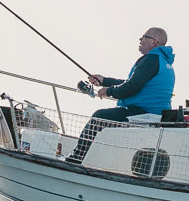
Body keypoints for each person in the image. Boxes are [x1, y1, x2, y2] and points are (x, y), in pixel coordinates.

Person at [66, 26, 176, 164]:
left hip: (143, 111)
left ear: (154, 42)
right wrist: (104, 81)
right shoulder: (163, 61)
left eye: (144, 37)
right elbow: (132, 82)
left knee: (100, 116)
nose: (140, 39)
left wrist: (108, 91)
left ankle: (77, 157)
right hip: (153, 111)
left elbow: (131, 87)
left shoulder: (151, 59)